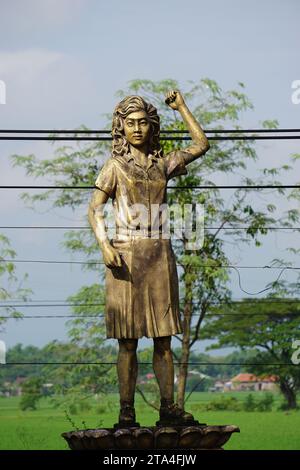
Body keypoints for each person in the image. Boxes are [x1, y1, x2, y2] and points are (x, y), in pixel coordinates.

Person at [88, 90, 209, 427]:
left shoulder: (162, 164)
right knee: (127, 341)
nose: (137, 129)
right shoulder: (114, 166)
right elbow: (94, 207)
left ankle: (168, 408)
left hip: (159, 257)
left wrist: (181, 107)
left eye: (143, 123)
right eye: (130, 123)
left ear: (152, 127)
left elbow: (201, 145)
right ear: (121, 128)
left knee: (163, 339)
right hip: (124, 258)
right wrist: (104, 245)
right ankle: (126, 410)